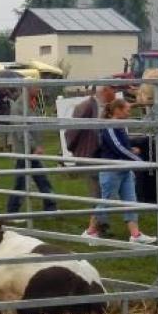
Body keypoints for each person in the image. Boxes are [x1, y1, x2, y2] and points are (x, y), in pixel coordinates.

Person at [82, 98, 156, 244]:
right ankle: (90, 231)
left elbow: (121, 146)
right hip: (111, 169)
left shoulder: (120, 125)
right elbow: (118, 147)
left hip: (124, 168)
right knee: (106, 201)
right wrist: (139, 160)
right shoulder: (110, 125)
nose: (130, 112)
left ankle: (135, 235)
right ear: (118, 110)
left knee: (130, 200)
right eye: (127, 110)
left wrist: (130, 150)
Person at [66, 85, 116, 236]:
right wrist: (76, 149)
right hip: (90, 155)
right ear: (105, 91)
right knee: (97, 190)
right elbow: (72, 130)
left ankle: (101, 223)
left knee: (103, 189)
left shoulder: (101, 106)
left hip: (98, 154)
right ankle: (97, 227)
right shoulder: (87, 106)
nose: (114, 94)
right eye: (112, 90)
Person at [4, 86, 57, 217]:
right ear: (27, 88)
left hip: (32, 152)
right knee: (22, 183)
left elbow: (37, 125)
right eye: (36, 87)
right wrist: (35, 146)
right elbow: (21, 131)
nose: (39, 89)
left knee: (41, 179)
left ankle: (50, 208)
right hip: (24, 152)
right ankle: (12, 213)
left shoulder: (33, 103)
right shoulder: (18, 107)